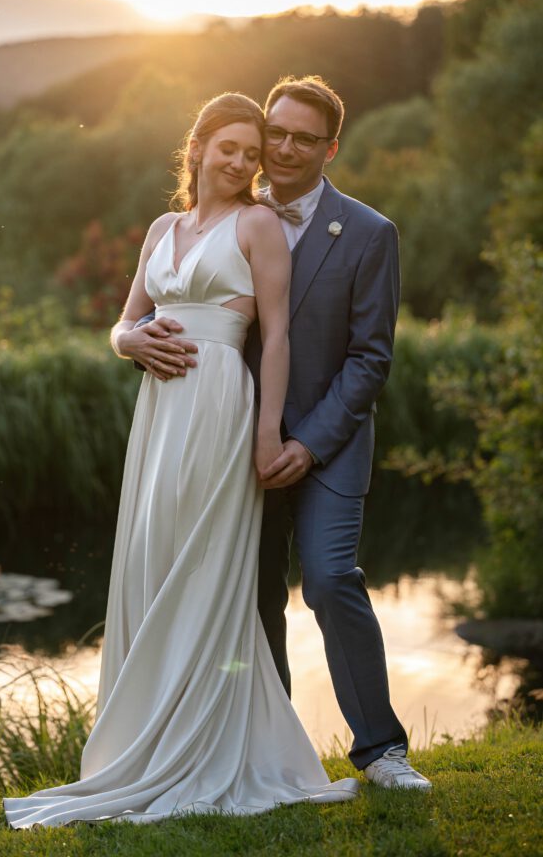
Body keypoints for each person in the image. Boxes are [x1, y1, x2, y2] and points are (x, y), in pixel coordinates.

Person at [3, 93, 359, 830]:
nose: (237, 162)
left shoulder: (257, 224)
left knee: (202, 566)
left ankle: (204, 744)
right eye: (224, 147)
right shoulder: (163, 228)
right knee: (153, 560)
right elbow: (124, 318)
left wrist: (266, 435)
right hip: (159, 415)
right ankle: (145, 738)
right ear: (194, 147)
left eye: (249, 154)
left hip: (219, 406)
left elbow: (280, 338)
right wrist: (125, 342)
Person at [248, 75, 431, 791]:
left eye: (303, 138)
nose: (285, 148)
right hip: (243, 447)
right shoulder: (234, 218)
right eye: (277, 132)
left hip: (328, 445)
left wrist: (308, 442)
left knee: (328, 580)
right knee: (254, 593)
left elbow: (370, 358)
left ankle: (380, 750)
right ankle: (275, 751)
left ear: (330, 148)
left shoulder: (368, 233)